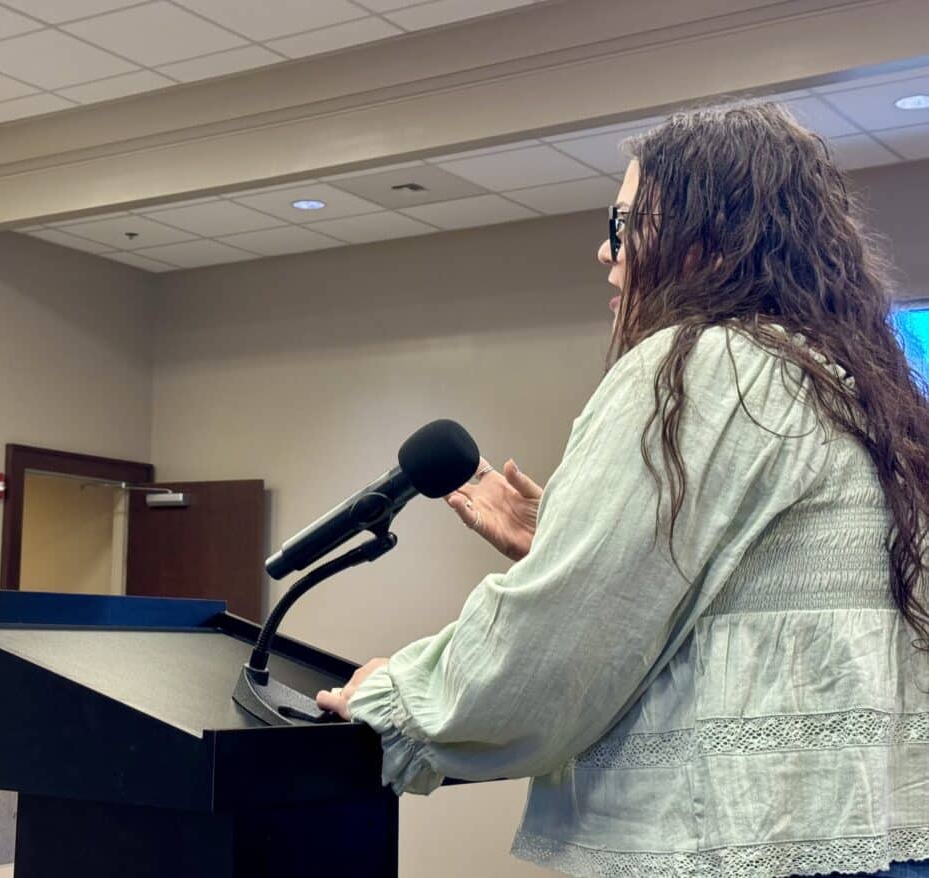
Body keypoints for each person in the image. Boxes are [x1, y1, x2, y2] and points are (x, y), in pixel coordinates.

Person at [315, 102, 929, 878]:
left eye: (627, 223)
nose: (607, 250)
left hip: (743, 845)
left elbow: (561, 640)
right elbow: (747, 587)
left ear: (706, 236)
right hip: (873, 836)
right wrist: (569, 539)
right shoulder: (854, 386)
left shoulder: (696, 368)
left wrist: (398, 697)